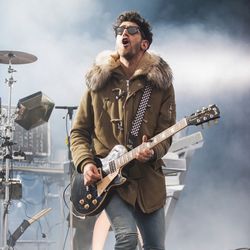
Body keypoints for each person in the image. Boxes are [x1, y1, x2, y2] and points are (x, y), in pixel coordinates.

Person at [70, 10, 176, 250]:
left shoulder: (160, 85)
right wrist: (86, 163)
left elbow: (166, 132)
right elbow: (78, 132)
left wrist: (153, 151)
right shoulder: (99, 82)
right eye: (119, 31)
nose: (123, 34)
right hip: (109, 179)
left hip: (147, 182)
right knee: (127, 237)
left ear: (144, 43)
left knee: (155, 247)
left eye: (131, 30)